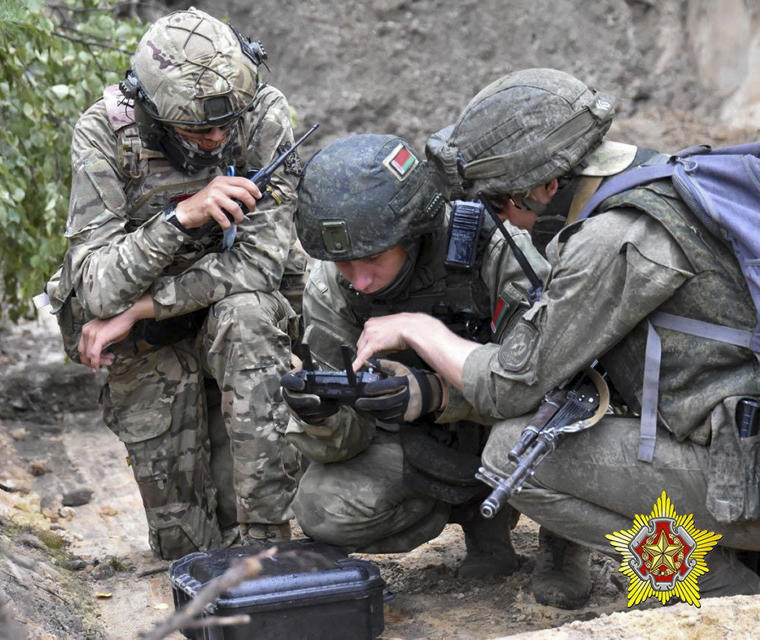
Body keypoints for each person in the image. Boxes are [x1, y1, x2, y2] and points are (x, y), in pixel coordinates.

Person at [354, 68, 760, 605]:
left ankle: (721, 591)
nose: (504, 221)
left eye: (499, 204)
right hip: (740, 443)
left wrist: (418, 328)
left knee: (513, 457)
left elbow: (510, 386)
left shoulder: (617, 237)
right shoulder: (671, 180)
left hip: (745, 472)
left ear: (547, 185)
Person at [43, 8, 305, 560]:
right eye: (197, 129)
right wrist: (181, 218)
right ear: (155, 115)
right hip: (150, 350)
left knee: (251, 313)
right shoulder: (105, 133)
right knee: (184, 548)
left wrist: (143, 307)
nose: (215, 140)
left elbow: (260, 265)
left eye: (224, 126)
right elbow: (95, 289)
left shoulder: (261, 115)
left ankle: (266, 543)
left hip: (222, 318)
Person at [279, 134, 550, 577]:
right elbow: (341, 446)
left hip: (513, 430)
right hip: (416, 444)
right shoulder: (333, 285)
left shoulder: (494, 250)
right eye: (344, 263)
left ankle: (558, 546)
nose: (359, 280)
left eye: (372, 259)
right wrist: (322, 418)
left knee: (559, 432)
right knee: (321, 510)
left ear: (414, 233)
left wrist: (436, 393)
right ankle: (447, 510)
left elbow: (548, 381)